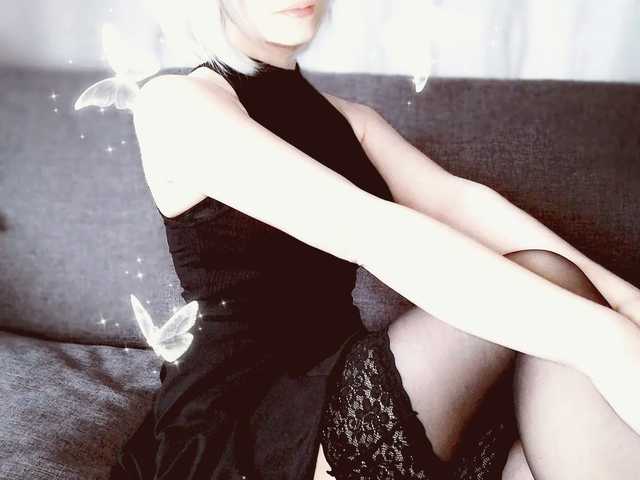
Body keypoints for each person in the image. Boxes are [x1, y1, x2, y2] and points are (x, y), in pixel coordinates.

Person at [110, 1, 640, 478]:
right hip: (246, 422)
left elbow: (463, 204)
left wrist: (625, 303)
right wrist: (602, 337)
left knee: (554, 437)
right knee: (556, 300)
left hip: (344, 378)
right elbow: (369, 230)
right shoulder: (175, 104)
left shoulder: (352, 122)